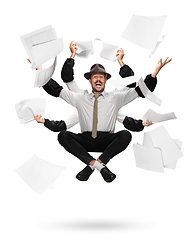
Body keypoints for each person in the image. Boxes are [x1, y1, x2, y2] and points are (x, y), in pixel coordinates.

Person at [37, 42, 171, 183]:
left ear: (106, 79)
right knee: (63, 136)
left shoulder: (115, 98)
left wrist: (155, 73)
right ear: (90, 80)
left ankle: (91, 166)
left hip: (107, 140)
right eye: (95, 76)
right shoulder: (79, 98)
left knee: (125, 135)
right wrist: (40, 71)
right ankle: (100, 167)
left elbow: (141, 91)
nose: (98, 79)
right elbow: (56, 90)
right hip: (85, 140)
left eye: (101, 76)